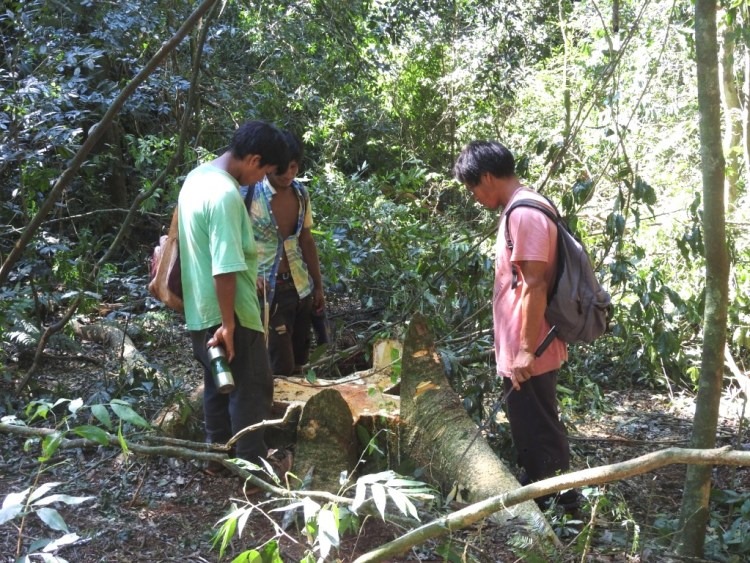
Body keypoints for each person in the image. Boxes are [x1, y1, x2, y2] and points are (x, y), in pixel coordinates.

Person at [453, 140, 580, 512]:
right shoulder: (518, 210)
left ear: (488, 177)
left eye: (473, 186)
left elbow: (535, 284)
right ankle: (538, 490)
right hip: (524, 346)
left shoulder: (524, 214)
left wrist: (525, 349)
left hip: (533, 347)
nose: (474, 196)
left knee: (540, 424)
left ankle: (560, 500)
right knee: (528, 422)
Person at [178, 120, 290, 475]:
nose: (261, 181)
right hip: (233, 313)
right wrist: (229, 323)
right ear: (254, 159)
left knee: (218, 382)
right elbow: (223, 267)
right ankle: (253, 470)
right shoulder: (226, 194)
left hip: (200, 308)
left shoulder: (197, 179)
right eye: (265, 173)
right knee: (252, 387)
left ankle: (218, 459)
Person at [243, 131, 326, 376]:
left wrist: (318, 286)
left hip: (301, 288)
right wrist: (249, 275)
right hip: (268, 292)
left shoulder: (301, 194)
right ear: (269, 168)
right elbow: (235, 241)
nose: (288, 175)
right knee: (281, 365)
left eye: (293, 167)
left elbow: (306, 240)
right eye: (282, 170)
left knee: (300, 359)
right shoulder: (248, 195)